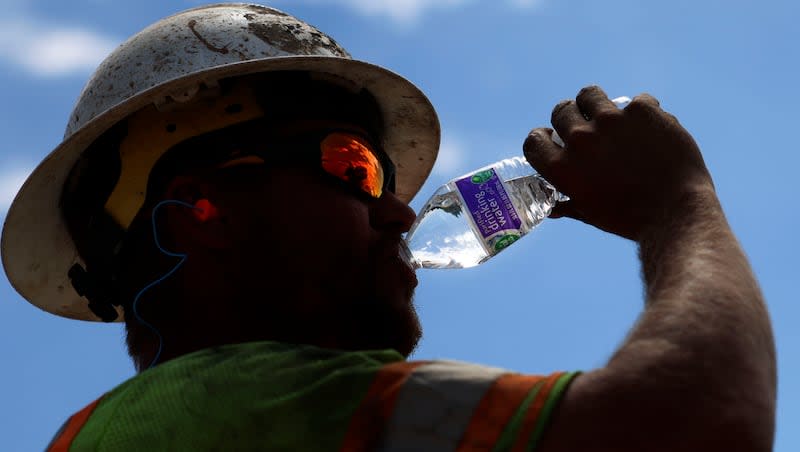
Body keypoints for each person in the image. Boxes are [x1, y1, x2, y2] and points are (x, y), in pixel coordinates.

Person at [1, 3, 776, 452]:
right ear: (208, 212)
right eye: (351, 167)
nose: (401, 211)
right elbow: (701, 424)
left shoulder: (98, 433)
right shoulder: (269, 403)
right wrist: (680, 205)